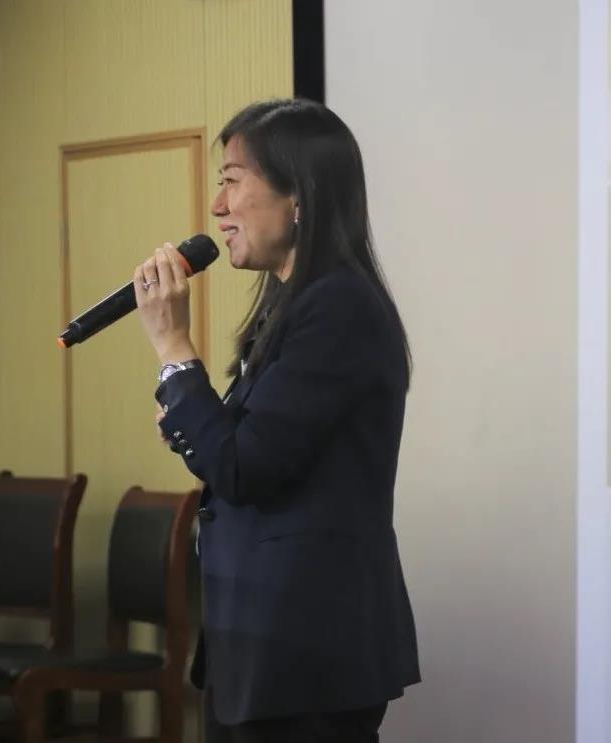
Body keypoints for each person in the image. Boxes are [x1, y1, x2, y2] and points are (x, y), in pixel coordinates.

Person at [133, 98, 420, 743]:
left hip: (306, 649)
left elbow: (244, 469)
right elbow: (248, 453)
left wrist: (173, 346)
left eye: (232, 181)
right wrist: (191, 419)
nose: (217, 207)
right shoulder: (294, 305)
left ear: (299, 197)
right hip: (266, 644)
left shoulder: (338, 307)